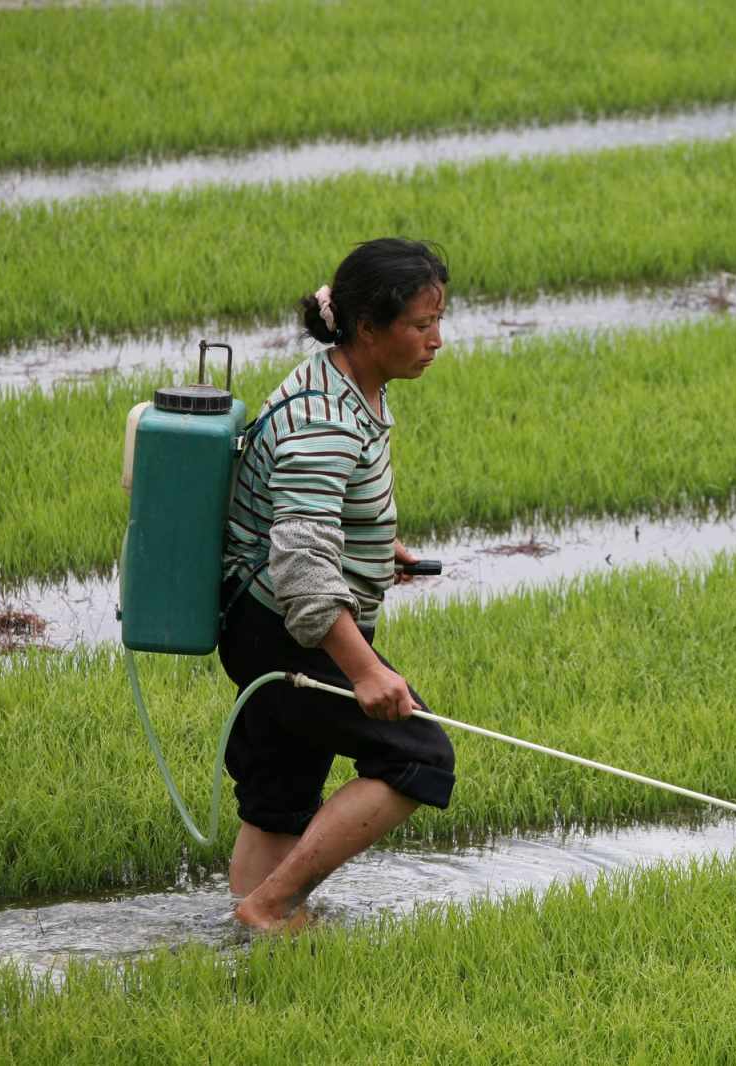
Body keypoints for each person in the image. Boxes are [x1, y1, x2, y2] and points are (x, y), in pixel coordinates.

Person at [217, 237, 454, 932]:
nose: (436, 341)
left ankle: (252, 944)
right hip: (288, 632)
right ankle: (270, 909)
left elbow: (313, 513)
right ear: (367, 328)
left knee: (279, 797)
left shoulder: (350, 380)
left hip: (262, 619)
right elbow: (301, 567)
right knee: (419, 757)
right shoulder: (325, 419)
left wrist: (373, 548)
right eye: (420, 325)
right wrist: (366, 671)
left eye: (438, 321)